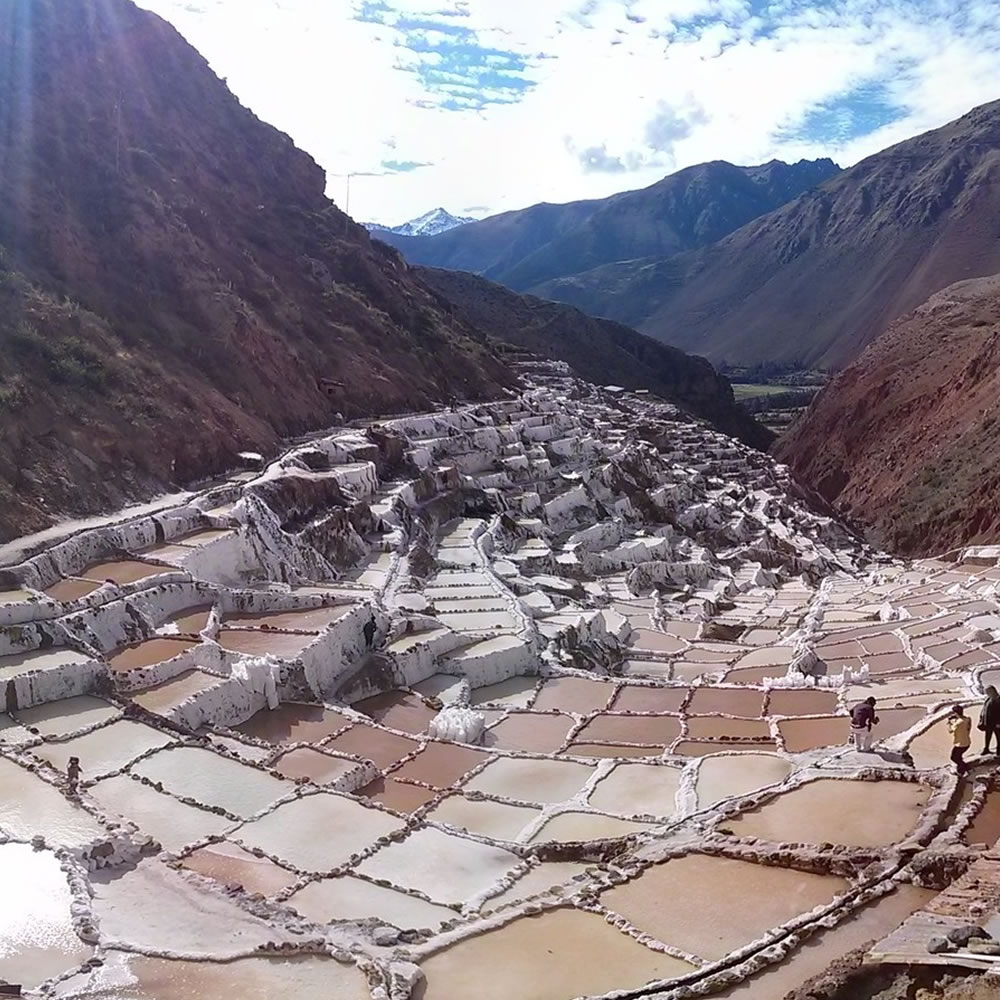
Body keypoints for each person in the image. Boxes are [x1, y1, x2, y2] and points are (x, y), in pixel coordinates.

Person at [948, 704, 972, 777]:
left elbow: (950, 730)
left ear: (956, 713)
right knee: (959, 756)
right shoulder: (968, 719)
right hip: (967, 743)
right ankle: (964, 767)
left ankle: (961, 771)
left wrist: (949, 723)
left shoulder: (958, 723)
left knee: (953, 757)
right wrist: (956, 718)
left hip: (960, 744)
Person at [979, 686, 1000, 755]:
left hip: (996, 723)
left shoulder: (998, 699)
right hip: (988, 722)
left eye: (987, 692)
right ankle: (986, 749)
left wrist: (998, 723)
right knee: (987, 736)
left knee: (998, 737)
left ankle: (999, 751)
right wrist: (982, 718)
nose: (986, 693)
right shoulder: (988, 698)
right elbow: (985, 709)